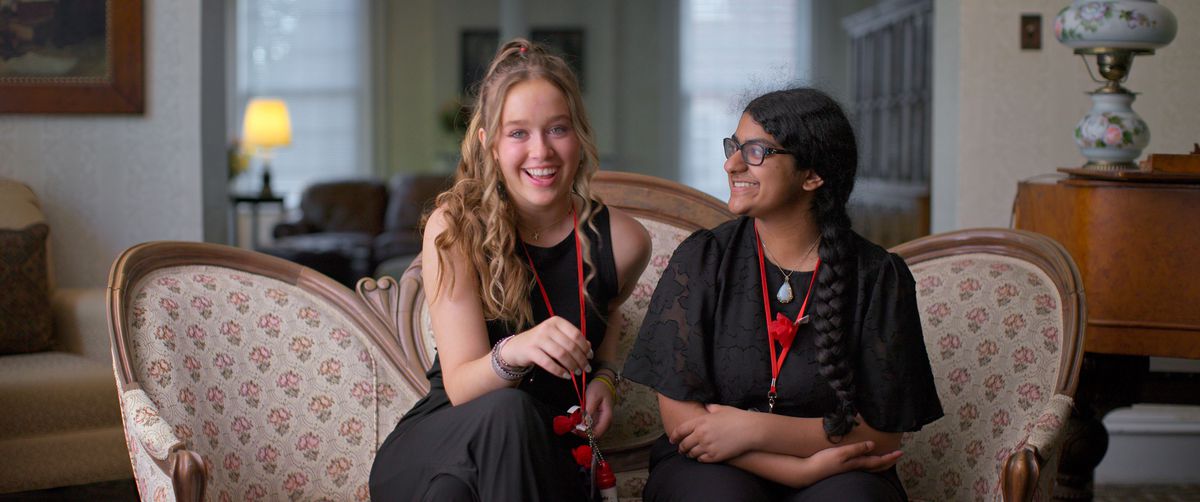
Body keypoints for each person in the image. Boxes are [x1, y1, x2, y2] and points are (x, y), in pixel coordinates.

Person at [623, 87, 943, 501]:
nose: (731, 164)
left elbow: (881, 435)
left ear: (812, 175)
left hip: (839, 475)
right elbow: (685, 425)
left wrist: (753, 428)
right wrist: (796, 471)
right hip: (712, 465)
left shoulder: (878, 277)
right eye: (734, 146)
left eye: (755, 151)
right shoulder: (703, 260)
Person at [368, 39, 650, 501]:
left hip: (544, 452)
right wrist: (519, 348)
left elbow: (610, 311)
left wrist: (605, 378)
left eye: (557, 129)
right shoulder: (455, 229)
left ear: (578, 135)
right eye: (518, 133)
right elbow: (461, 388)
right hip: (446, 435)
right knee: (508, 412)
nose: (541, 151)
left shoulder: (624, 241)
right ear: (490, 145)